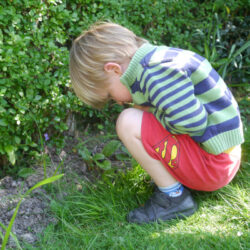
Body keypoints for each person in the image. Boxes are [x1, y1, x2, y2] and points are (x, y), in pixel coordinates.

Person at [69, 22, 244, 224]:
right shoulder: (158, 58)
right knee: (138, 116)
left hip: (214, 165)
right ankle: (174, 183)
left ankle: (174, 197)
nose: (117, 102)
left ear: (114, 70)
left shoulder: (153, 73)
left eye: (109, 95)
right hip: (221, 156)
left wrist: (148, 111)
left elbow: (192, 123)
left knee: (128, 121)